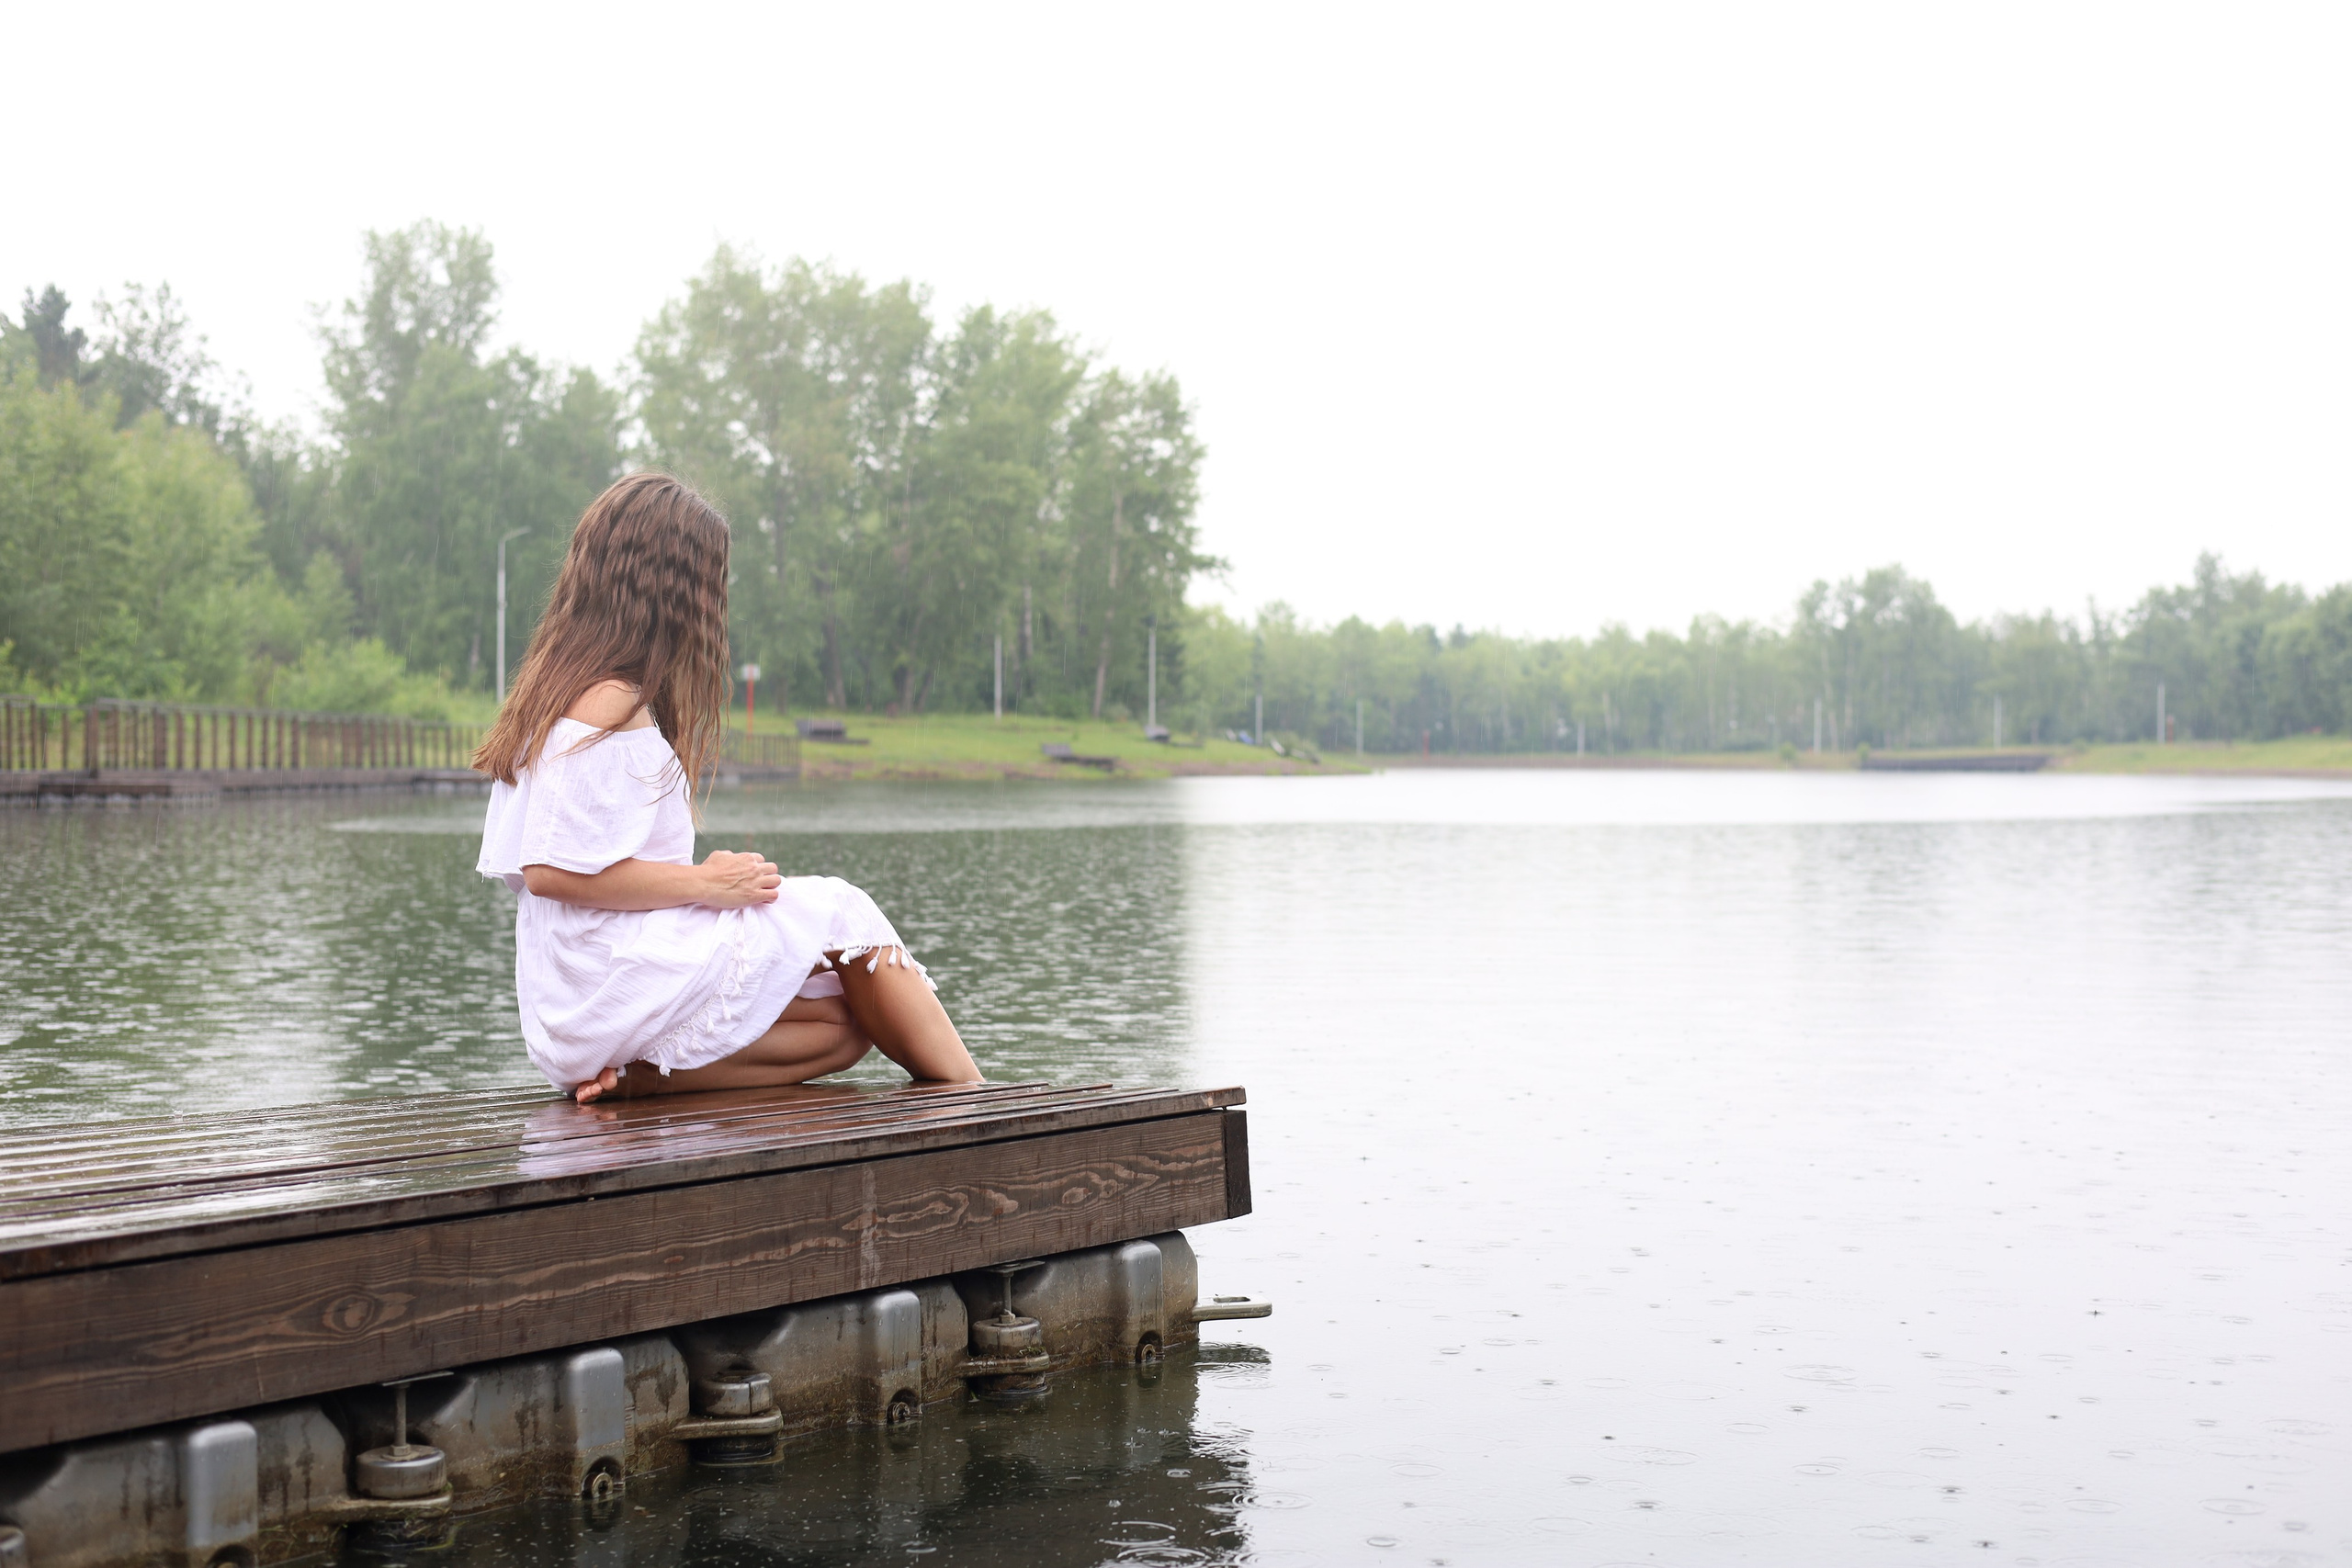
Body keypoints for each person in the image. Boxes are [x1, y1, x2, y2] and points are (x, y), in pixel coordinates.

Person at [473, 472, 980, 1103]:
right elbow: (548, 870)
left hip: (581, 994)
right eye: (712, 581)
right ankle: (980, 1101)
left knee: (844, 1026)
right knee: (844, 914)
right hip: (603, 978)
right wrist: (705, 885)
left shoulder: (559, 687)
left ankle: (635, 1076)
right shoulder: (605, 698)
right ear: (672, 584)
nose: (716, 601)